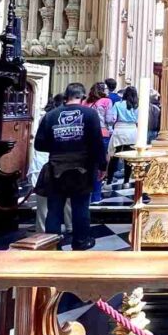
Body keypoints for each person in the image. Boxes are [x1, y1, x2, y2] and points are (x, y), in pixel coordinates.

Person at [34, 82, 106, 250]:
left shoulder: (51, 115)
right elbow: (97, 143)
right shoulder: (90, 114)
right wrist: (102, 165)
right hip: (83, 167)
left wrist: (59, 146)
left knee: (55, 209)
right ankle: (81, 242)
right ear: (83, 97)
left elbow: (39, 144)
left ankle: (52, 245)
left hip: (56, 167)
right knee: (80, 207)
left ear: (66, 97)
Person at [30, 94, 71, 232]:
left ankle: (42, 230)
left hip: (46, 157)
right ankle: (69, 225)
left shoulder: (47, 116)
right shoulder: (58, 117)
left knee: (43, 198)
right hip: (56, 159)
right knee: (64, 196)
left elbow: (38, 141)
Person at [106, 85, 139, 185]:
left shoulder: (118, 104)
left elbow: (112, 119)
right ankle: (126, 182)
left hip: (120, 130)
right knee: (129, 158)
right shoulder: (137, 106)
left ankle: (109, 182)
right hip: (132, 131)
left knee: (114, 157)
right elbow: (139, 120)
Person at [86, 82, 112, 203]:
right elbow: (109, 119)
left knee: (88, 164)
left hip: (87, 134)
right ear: (102, 90)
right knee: (100, 164)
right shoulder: (106, 101)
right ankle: (96, 195)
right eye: (106, 89)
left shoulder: (85, 102)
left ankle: (86, 194)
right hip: (102, 133)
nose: (108, 91)